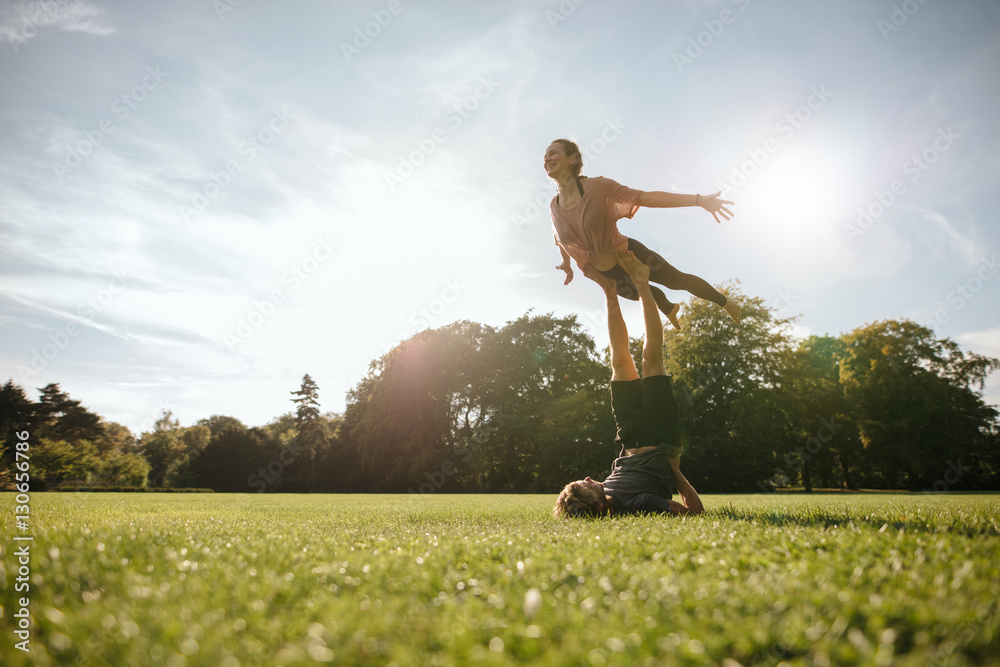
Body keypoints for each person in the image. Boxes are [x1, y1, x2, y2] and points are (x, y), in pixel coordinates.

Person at [553, 250, 704, 517]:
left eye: (581, 480)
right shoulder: (638, 504)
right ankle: (642, 282)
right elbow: (694, 513)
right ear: (599, 505)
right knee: (651, 359)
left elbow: (593, 491)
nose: (588, 478)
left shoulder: (604, 494)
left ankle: (610, 292)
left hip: (627, 434)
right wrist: (675, 471)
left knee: (619, 362)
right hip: (660, 434)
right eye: (586, 485)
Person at [545, 138, 742, 330]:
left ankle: (725, 302)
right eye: (545, 157)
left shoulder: (598, 187)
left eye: (553, 153)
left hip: (629, 254)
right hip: (607, 274)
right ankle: (670, 308)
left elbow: (647, 197)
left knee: (677, 281)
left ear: (572, 159)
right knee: (650, 294)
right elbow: (560, 239)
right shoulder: (554, 206)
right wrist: (567, 264)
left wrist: (700, 200)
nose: (547, 159)